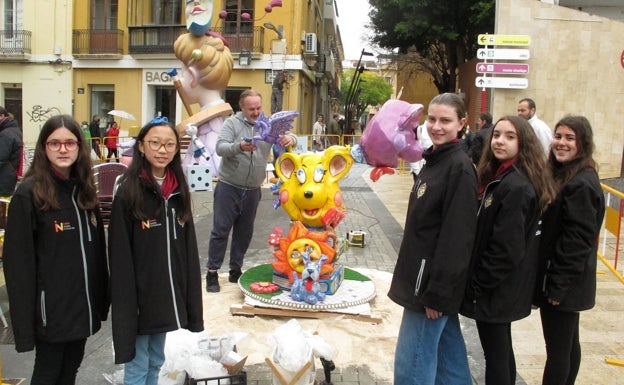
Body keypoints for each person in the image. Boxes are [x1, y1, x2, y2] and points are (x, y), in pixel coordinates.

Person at [3, 114, 109, 385]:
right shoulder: (29, 194)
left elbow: (96, 254)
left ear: (79, 147)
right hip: (50, 311)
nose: (63, 149)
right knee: (48, 374)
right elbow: (18, 266)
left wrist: (101, 300)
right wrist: (24, 326)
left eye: (70, 143)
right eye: (55, 143)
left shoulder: (85, 192)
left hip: (81, 307)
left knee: (69, 372)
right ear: (43, 148)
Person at [388, 93, 478, 385]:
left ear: (462, 123)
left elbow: (457, 238)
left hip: (429, 288)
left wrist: (438, 293)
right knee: (450, 368)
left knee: (411, 369)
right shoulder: (435, 160)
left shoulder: (459, 168)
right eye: (432, 119)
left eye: (446, 120)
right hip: (424, 281)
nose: (437, 126)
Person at [460, 116, 556, 385]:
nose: (500, 141)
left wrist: (476, 285)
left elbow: (505, 250)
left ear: (523, 143)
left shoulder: (516, 186)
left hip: (498, 289)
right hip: (501, 288)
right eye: (497, 135)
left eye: (510, 136)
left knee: (496, 354)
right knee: (500, 349)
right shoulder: (502, 176)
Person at [108, 116, 204, 385]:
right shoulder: (128, 189)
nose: (162, 150)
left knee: (156, 359)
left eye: (169, 145)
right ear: (141, 146)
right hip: (139, 295)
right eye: (155, 143)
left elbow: (186, 246)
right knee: (137, 364)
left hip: (165, 293)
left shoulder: (177, 188)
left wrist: (186, 290)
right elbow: (118, 252)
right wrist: (128, 295)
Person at [534, 115, 605, 385]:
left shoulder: (580, 183)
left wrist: (558, 285)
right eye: (559, 136)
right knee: (567, 345)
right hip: (565, 280)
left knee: (558, 352)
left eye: (570, 138)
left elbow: (578, 240)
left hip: (563, 281)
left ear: (583, 143)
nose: (561, 143)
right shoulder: (571, 174)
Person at [205, 90, 296, 292]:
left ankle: (235, 269)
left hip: (253, 189)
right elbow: (220, 148)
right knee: (220, 230)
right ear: (242, 108)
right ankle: (212, 273)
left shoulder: (268, 123)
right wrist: (240, 147)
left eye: (258, 108)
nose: (256, 112)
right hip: (229, 186)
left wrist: (291, 140)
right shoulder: (232, 124)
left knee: (244, 233)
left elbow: (288, 137)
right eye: (251, 109)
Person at [0, 106, 23, 197]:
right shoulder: (13, 129)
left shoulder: (6, 134)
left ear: (1, 116)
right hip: (9, 176)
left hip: (3, 178)